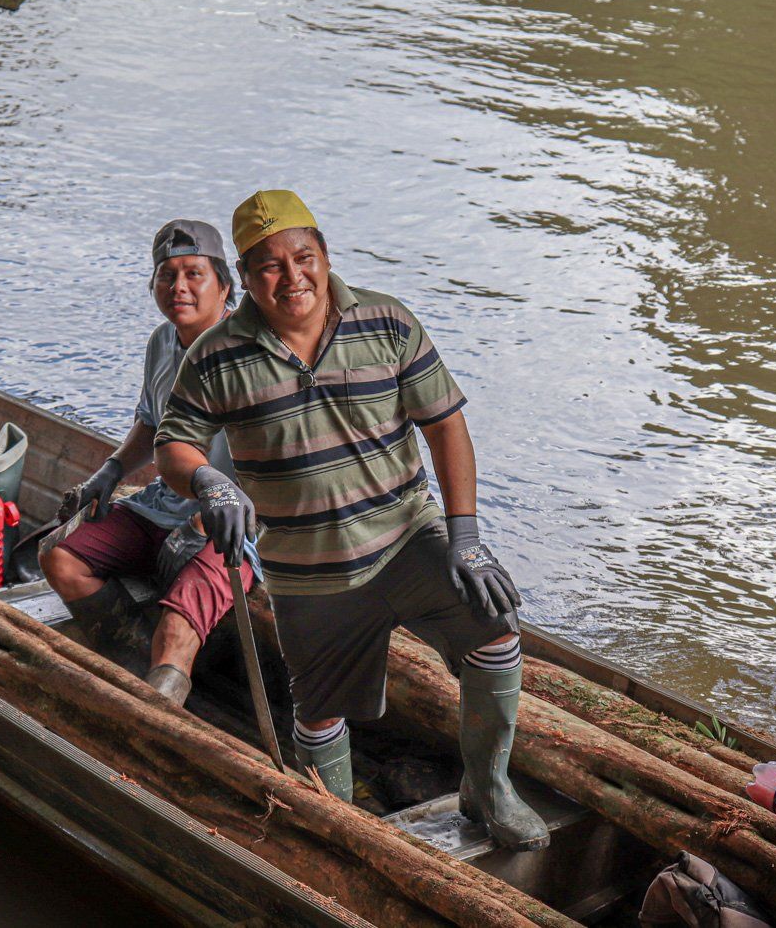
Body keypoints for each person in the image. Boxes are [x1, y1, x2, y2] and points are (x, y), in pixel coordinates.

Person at [155, 190, 548, 850]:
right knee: (319, 711)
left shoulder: (387, 322)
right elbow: (174, 445)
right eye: (269, 266)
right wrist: (209, 481)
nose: (292, 276)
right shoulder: (217, 355)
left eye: (302, 257)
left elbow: (446, 426)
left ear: (325, 255)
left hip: (408, 538)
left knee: (495, 631)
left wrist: (468, 538)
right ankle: (337, 836)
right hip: (307, 571)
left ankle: (488, 788)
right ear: (246, 280)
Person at [40, 219, 258, 707]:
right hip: (164, 505)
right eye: (166, 274)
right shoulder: (163, 342)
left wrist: (204, 522)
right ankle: (134, 665)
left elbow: (278, 468)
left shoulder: (251, 356)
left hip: (236, 525)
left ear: (225, 284)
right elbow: (149, 422)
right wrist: (111, 470)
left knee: (177, 627)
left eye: (193, 274)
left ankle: (158, 705)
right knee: (60, 554)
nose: (178, 286)